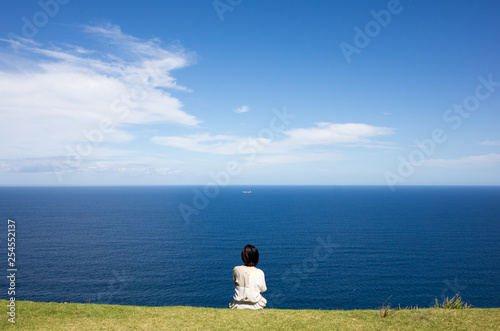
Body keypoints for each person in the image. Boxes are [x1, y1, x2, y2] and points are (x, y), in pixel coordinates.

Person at [229, 244, 267, 309]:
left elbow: (235, 285)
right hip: (255, 305)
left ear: (243, 257)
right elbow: (262, 289)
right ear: (256, 258)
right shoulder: (260, 272)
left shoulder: (236, 269)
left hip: (237, 304)